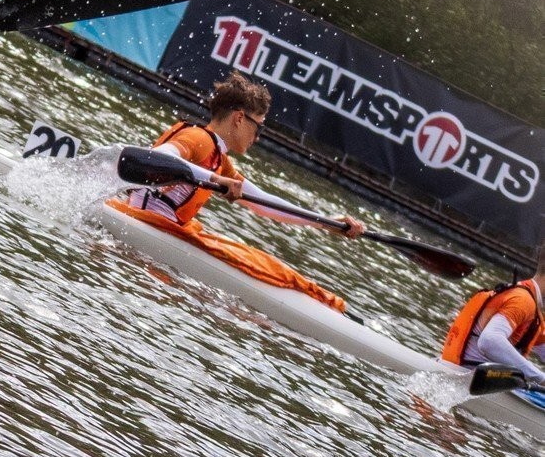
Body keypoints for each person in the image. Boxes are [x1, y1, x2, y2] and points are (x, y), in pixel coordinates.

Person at [109, 74, 363, 312]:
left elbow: (264, 203)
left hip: (165, 228)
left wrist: (328, 223)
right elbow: (159, 157)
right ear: (239, 118)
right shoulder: (199, 139)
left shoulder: (219, 159)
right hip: (146, 225)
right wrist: (213, 178)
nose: (258, 137)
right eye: (259, 127)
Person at [440, 244, 545, 383]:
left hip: (463, 375)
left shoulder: (533, 310)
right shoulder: (523, 301)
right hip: (462, 378)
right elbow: (489, 340)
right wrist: (540, 377)